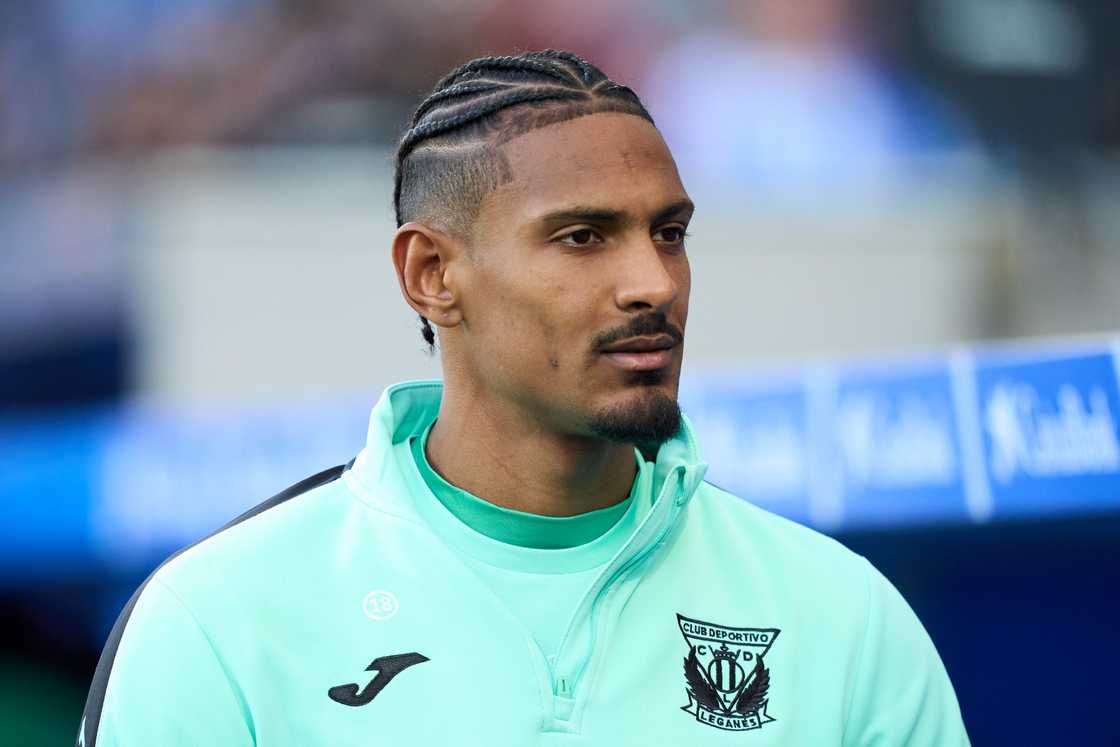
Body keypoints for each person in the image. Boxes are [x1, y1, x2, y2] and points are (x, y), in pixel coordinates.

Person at [78, 50, 969, 745]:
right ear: (431, 275)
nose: (652, 282)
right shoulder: (218, 620)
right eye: (583, 237)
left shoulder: (845, 617)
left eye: (670, 233)